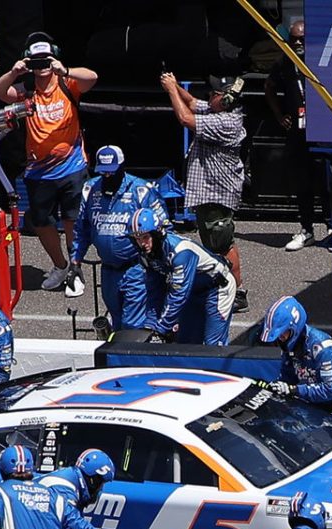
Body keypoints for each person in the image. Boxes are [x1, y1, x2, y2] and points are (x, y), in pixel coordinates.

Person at [0, 33, 98, 292]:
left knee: (73, 219)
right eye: (36, 62)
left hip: (72, 166)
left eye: (46, 61)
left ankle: (76, 268)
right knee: (41, 222)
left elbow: (92, 78)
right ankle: (60, 265)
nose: (41, 67)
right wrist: (14, 72)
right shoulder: (26, 90)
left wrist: (65, 69)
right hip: (39, 170)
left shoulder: (67, 84)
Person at [160, 70, 248, 312]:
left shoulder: (227, 121)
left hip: (217, 192)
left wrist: (169, 90)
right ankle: (222, 283)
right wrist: (176, 85)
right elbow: (190, 103)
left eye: (215, 93)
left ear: (227, 100)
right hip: (208, 192)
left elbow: (185, 118)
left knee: (222, 243)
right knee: (214, 243)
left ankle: (237, 292)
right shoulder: (215, 109)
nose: (209, 95)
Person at [69, 145, 169, 327]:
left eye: (111, 172)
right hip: (108, 271)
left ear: (122, 167)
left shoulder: (142, 190)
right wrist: (75, 261)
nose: (107, 176)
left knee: (132, 324)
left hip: (136, 269)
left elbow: (163, 227)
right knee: (116, 320)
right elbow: (81, 229)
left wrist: (157, 262)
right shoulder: (90, 189)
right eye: (103, 172)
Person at [131, 208, 234, 345]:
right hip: (193, 290)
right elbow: (154, 290)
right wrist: (150, 326)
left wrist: (161, 329)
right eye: (137, 239)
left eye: (145, 237)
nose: (142, 244)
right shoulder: (146, 255)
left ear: (156, 234)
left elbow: (178, 293)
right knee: (185, 343)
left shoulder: (181, 252)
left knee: (213, 346)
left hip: (218, 288)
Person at [259, 296, 332, 428]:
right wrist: (275, 388)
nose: (281, 339)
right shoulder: (288, 349)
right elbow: (287, 380)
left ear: (294, 326)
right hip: (318, 414)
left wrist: (294, 390)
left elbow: (329, 389)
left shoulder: (322, 346)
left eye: (283, 333)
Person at [265, 20, 323, 252]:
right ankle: (306, 230)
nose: (298, 43)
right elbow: (268, 87)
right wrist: (280, 115)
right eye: (294, 39)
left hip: (324, 130)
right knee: (302, 181)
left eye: (302, 39)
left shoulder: (321, 59)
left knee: (327, 180)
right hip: (298, 131)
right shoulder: (284, 63)